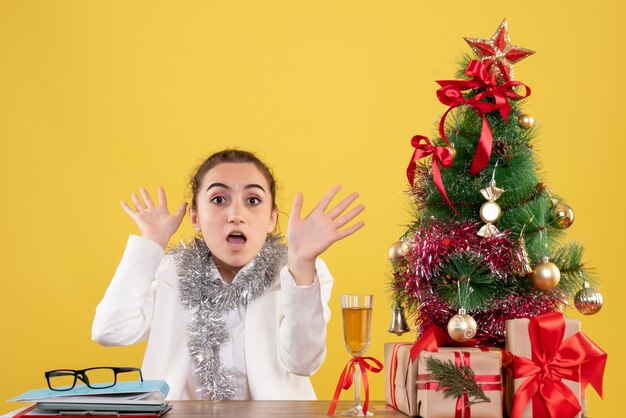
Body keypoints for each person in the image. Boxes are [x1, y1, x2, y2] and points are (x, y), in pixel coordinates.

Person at [92, 149, 365, 401]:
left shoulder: (296, 273)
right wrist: (152, 242)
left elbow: (304, 362)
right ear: (196, 218)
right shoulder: (175, 275)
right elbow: (110, 330)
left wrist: (303, 264)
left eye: (253, 200)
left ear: (272, 219)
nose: (236, 214)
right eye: (219, 199)